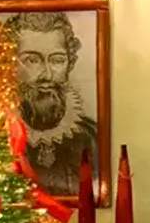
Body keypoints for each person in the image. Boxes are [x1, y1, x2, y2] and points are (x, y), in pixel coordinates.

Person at [6, 10, 98, 197]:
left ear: (69, 63)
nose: (47, 74)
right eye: (32, 60)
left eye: (57, 60)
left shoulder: (90, 137)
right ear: (10, 64)